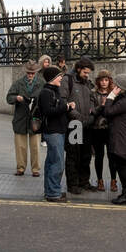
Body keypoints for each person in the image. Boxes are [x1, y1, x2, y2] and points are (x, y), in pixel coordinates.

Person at [101, 70, 126, 205]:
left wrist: (111, 96)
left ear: (119, 87)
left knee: (122, 166)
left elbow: (108, 111)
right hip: (124, 137)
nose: (112, 86)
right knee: (122, 165)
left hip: (122, 138)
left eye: (114, 85)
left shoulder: (124, 101)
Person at [35, 65, 70, 201]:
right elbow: (48, 111)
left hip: (58, 130)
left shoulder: (54, 91)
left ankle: (50, 190)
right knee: (57, 162)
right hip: (53, 131)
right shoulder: (46, 93)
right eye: (58, 76)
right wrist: (65, 106)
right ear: (52, 78)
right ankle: (54, 193)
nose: (61, 78)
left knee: (51, 161)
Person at [63, 57, 96, 194]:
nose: (87, 75)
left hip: (87, 125)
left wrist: (91, 113)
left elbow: (92, 100)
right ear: (78, 69)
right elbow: (64, 101)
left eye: (88, 73)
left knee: (86, 155)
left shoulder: (87, 83)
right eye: (85, 72)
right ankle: (73, 184)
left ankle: (84, 182)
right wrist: (80, 118)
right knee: (73, 156)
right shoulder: (67, 80)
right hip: (75, 125)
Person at [7, 59, 44, 177]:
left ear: (36, 72)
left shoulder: (41, 83)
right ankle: (20, 167)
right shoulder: (18, 83)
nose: (30, 75)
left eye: (32, 73)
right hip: (20, 118)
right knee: (20, 146)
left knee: (35, 146)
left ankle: (35, 169)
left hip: (35, 118)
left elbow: (46, 97)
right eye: (28, 73)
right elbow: (8, 97)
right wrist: (16, 98)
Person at [88, 70, 115, 191]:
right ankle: (100, 180)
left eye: (106, 80)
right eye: (102, 80)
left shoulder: (114, 93)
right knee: (99, 156)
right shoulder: (93, 93)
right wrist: (102, 105)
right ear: (98, 81)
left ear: (109, 81)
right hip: (96, 129)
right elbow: (92, 111)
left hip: (110, 129)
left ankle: (114, 181)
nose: (104, 82)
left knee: (112, 156)